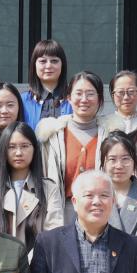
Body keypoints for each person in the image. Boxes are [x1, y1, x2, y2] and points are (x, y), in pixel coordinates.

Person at [38, 70, 108, 217]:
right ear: (69, 98)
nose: (84, 99)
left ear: (100, 99)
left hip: (100, 212)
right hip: (62, 213)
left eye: (90, 94)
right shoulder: (53, 135)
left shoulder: (110, 135)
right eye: (78, 93)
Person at [90, 131, 137, 254]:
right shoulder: (91, 195)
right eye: (112, 159)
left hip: (135, 265)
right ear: (103, 163)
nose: (119, 166)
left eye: (125, 159)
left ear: (134, 161)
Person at [0, 121, 54, 248]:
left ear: (34, 148)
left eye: (24, 146)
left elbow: (54, 231)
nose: (18, 152)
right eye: (11, 147)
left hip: (38, 258)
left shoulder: (49, 188)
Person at [21, 38, 72, 128]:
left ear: (62, 65)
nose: (48, 66)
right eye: (43, 61)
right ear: (34, 65)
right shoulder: (23, 100)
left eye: (54, 61)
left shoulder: (73, 99)